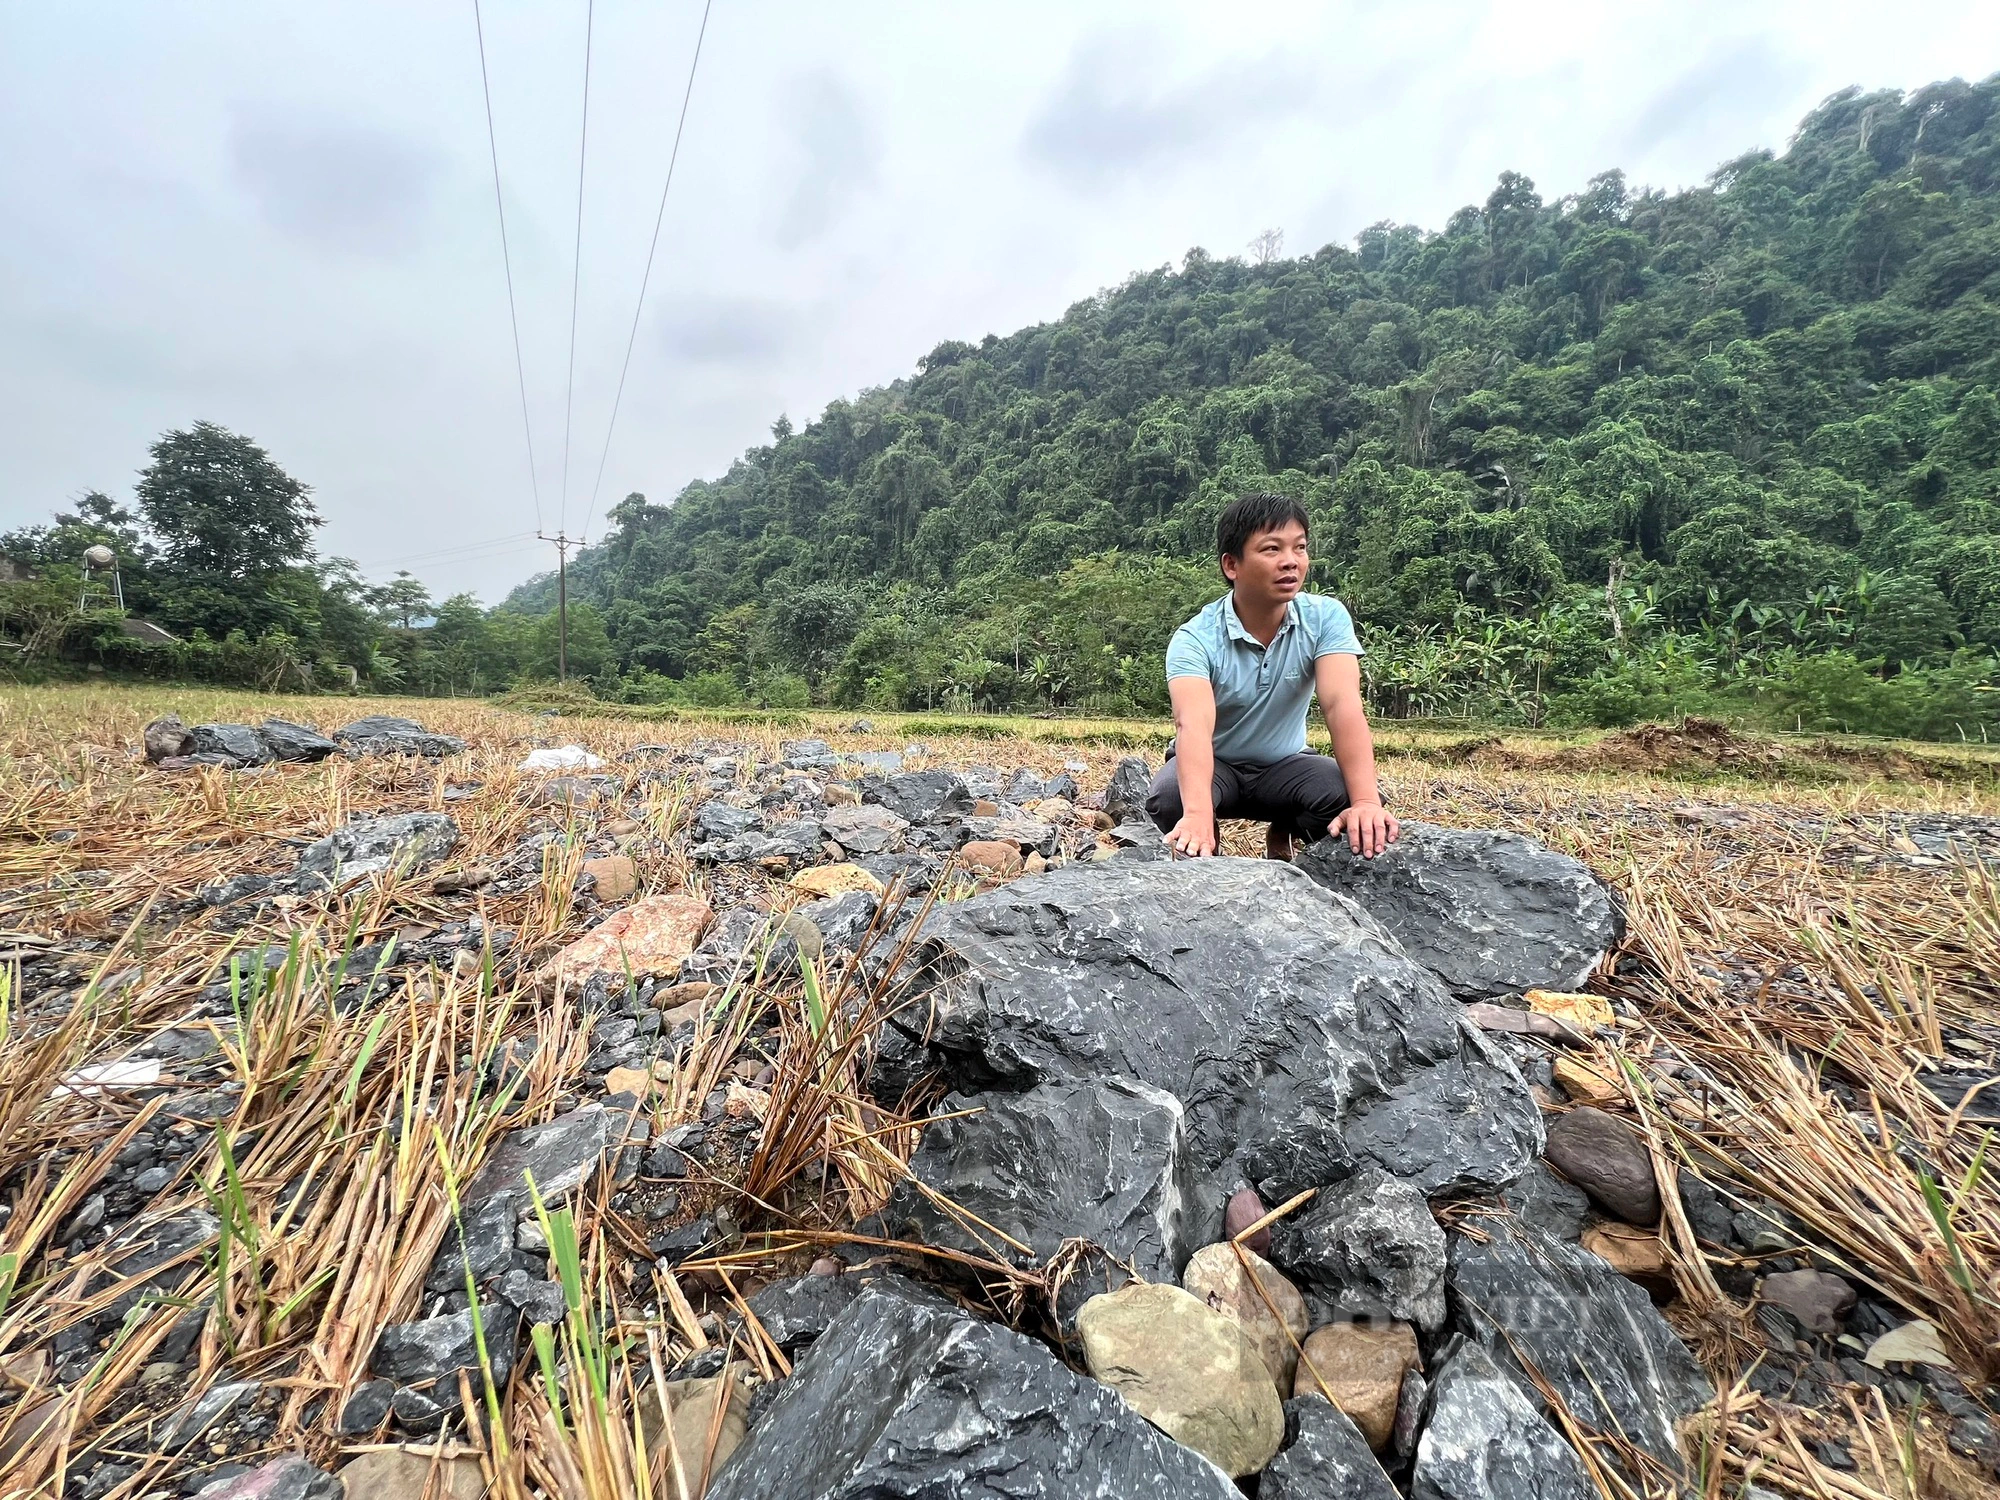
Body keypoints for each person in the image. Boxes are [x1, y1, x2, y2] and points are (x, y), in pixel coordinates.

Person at [1148, 491, 1400, 860]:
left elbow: (1341, 704)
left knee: (1346, 793)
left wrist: (1365, 801)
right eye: (1271, 550)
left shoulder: (1325, 618)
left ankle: (1289, 831)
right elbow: (1193, 726)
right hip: (1218, 766)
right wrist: (1198, 815)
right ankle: (1206, 854)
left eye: (1299, 548)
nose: (1290, 562)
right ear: (1232, 565)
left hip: (1286, 765)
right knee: (1171, 798)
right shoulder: (1195, 638)